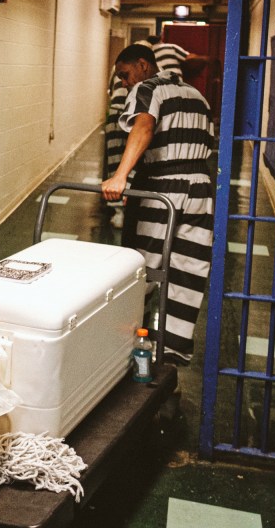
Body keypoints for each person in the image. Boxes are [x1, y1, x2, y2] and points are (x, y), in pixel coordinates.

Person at [101, 43, 215, 363]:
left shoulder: (148, 88)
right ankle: (172, 353)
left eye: (125, 75)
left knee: (143, 271)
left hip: (161, 189)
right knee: (188, 272)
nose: (124, 83)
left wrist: (120, 176)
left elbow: (144, 125)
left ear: (143, 65)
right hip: (201, 191)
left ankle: (129, 350)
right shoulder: (197, 96)